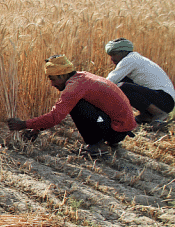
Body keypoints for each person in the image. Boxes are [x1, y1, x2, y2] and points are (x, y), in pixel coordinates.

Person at [7, 55, 137, 157]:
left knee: (77, 106)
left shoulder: (74, 87)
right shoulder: (82, 77)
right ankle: (104, 141)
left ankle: (97, 146)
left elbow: (55, 117)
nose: (52, 84)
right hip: (120, 128)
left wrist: (24, 124)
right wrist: (36, 129)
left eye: (53, 79)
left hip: (115, 130)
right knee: (76, 103)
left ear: (63, 75)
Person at [104, 38, 174, 131]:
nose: (112, 59)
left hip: (164, 100)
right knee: (123, 81)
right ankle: (147, 115)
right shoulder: (135, 58)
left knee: (122, 86)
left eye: (114, 54)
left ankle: (159, 113)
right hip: (164, 100)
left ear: (123, 52)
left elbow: (109, 82)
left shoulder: (130, 59)